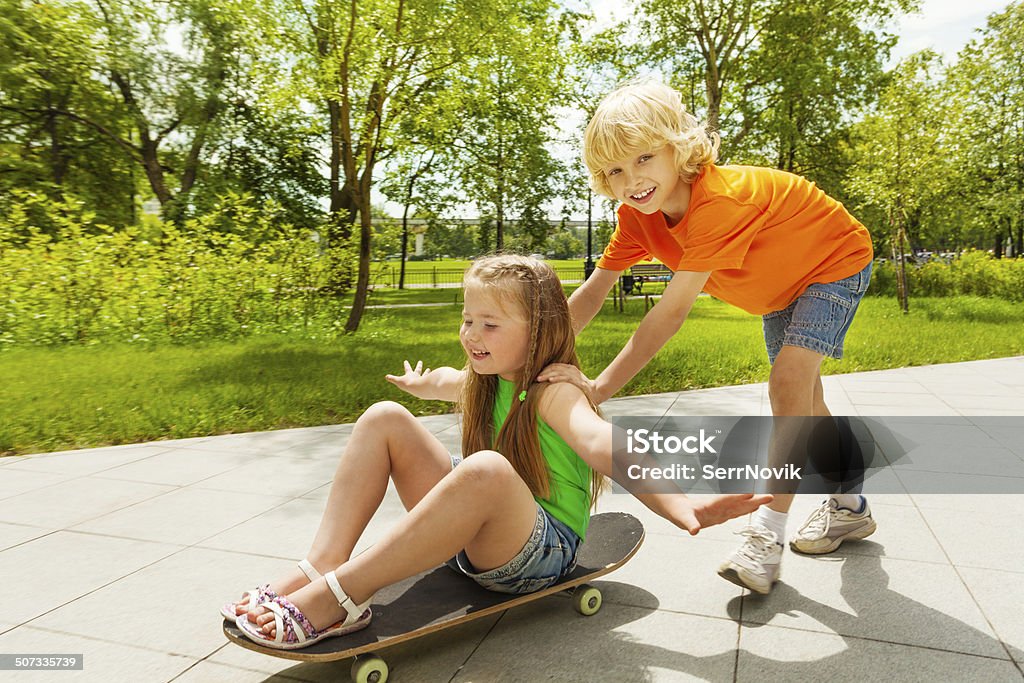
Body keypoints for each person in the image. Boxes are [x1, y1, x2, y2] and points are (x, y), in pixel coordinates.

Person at [221, 254, 772, 649]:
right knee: (384, 418)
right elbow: (447, 381)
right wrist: (422, 384)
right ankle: (322, 564)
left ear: (539, 332)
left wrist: (682, 507)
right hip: (480, 538)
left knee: (485, 468)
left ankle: (339, 598)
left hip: (537, 553)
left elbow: (604, 444)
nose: (471, 334)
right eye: (467, 319)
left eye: (489, 323)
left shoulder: (553, 390)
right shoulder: (486, 376)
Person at [537, 80, 877, 595]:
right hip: (779, 289)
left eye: (644, 158)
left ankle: (766, 536)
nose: (631, 180)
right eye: (614, 171)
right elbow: (591, 294)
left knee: (788, 383)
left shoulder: (717, 202)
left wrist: (597, 388)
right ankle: (851, 506)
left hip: (833, 262)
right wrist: (534, 359)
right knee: (806, 399)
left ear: (678, 147)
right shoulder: (636, 217)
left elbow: (668, 316)